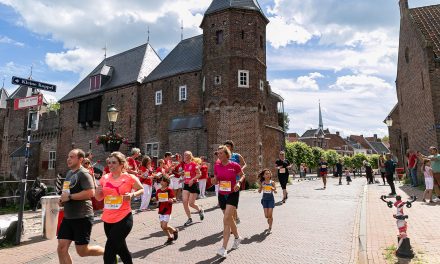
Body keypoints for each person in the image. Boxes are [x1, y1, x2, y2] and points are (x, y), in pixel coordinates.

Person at [95, 151, 144, 264]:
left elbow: (141, 189)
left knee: (109, 252)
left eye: (114, 163)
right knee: (122, 250)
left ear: (122, 164)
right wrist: (97, 192)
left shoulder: (129, 177)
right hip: (108, 219)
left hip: (124, 218)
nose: (110, 165)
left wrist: (132, 195)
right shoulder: (105, 178)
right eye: (109, 162)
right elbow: (98, 198)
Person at [57, 149, 104, 264]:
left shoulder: (84, 173)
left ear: (80, 159)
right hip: (68, 217)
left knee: (82, 251)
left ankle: (109, 252)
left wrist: (70, 197)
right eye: (68, 156)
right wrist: (62, 200)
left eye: (72, 157)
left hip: (82, 217)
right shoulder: (69, 173)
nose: (68, 159)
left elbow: (90, 192)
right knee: (61, 248)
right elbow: (67, 192)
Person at [213, 145, 245, 258]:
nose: (219, 155)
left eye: (221, 153)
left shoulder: (234, 165)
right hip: (222, 194)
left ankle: (223, 248)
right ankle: (237, 238)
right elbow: (216, 178)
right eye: (218, 153)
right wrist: (214, 180)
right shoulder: (217, 166)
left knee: (226, 219)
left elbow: (242, 175)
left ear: (227, 154)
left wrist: (238, 183)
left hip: (232, 193)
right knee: (229, 219)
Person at [224, 140, 246, 223]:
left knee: (232, 201)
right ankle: (235, 218)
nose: (227, 147)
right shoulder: (223, 157)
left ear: (231, 147)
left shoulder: (236, 155)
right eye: (225, 146)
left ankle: (234, 219)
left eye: (228, 146)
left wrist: (240, 170)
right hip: (225, 181)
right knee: (227, 201)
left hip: (236, 180)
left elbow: (244, 164)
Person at [182, 151, 204, 226]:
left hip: (194, 184)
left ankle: (200, 210)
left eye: (186, 155)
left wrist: (192, 180)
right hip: (186, 184)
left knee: (191, 203)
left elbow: (199, 174)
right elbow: (187, 174)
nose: (184, 156)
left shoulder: (194, 164)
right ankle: (189, 218)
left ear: (189, 157)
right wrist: (183, 178)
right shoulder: (185, 165)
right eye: (184, 155)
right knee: (184, 201)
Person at [156, 176, 178, 245]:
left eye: (163, 181)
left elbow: (174, 198)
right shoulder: (158, 190)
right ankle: (170, 237)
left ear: (167, 182)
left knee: (164, 226)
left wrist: (172, 200)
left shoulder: (169, 190)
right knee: (162, 226)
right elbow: (157, 198)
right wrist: (154, 199)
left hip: (167, 210)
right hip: (161, 210)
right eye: (161, 181)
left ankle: (174, 230)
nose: (161, 182)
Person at [258, 169, 276, 233]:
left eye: (269, 173)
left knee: (270, 215)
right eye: (266, 174)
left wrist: (273, 189)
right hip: (265, 200)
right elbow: (259, 191)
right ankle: (269, 219)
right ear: (263, 176)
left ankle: (270, 228)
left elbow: (275, 191)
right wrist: (261, 188)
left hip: (271, 199)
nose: (268, 175)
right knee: (266, 216)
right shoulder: (263, 183)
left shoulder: (272, 182)